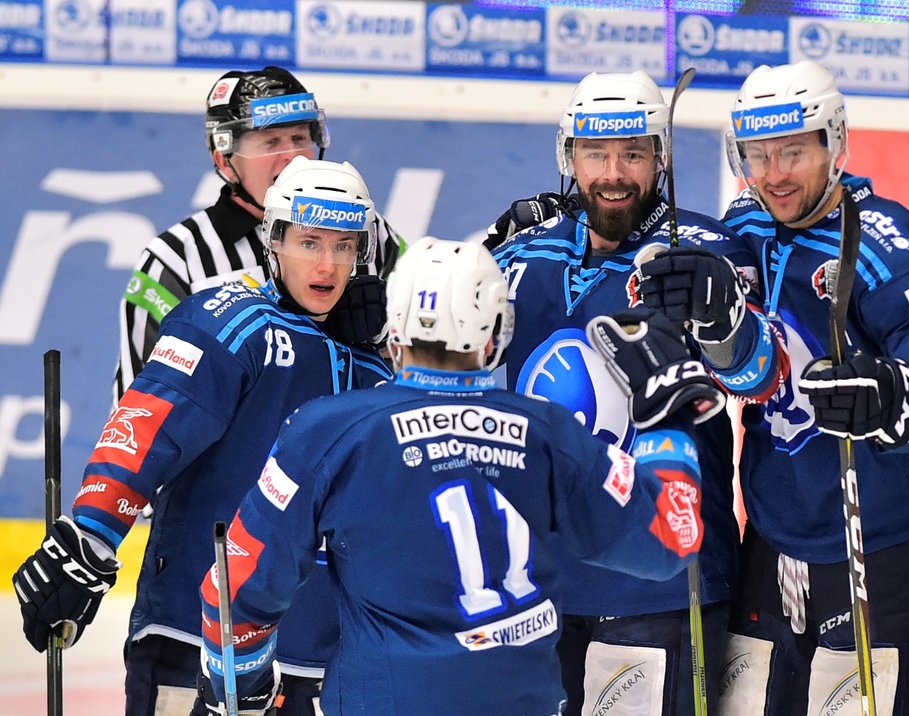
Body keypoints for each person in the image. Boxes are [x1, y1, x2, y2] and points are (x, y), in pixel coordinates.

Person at [193, 236, 720, 715]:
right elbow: (670, 542)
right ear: (495, 330)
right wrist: (664, 420)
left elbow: (236, 587)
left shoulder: (330, 430)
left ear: (394, 325)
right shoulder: (545, 430)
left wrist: (242, 682)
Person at [637, 60, 909, 715]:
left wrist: (897, 403)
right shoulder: (747, 227)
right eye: (758, 155)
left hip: (886, 544)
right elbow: (758, 371)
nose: (774, 175)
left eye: (793, 152)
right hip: (773, 540)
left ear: (836, 141)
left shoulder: (895, 245)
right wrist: (721, 324)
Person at [12, 157, 393, 716]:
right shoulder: (226, 322)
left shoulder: (373, 365)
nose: (328, 263)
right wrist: (89, 536)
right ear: (274, 239)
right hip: (198, 641)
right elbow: (146, 428)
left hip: (323, 659)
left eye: (343, 245)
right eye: (310, 242)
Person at [489, 70, 741, 715]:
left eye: (633, 153)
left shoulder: (700, 253)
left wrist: (721, 308)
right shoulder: (526, 256)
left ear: (661, 158)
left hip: (657, 586)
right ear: (567, 156)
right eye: (595, 152)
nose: (614, 172)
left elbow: (749, 355)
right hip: (536, 587)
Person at [115, 64, 401, 402]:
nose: (292, 157)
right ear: (224, 160)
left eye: (299, 138)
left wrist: (387, 338)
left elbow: (437, 346)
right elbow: (139, 405)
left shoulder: (365, 226)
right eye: (271, 142)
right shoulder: (175, 258)